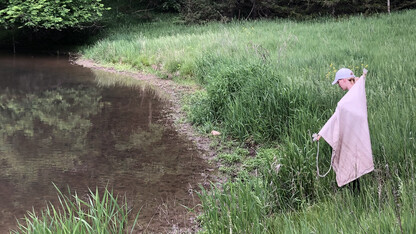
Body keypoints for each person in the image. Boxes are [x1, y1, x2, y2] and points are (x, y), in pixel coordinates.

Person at [314, 67, 372, 193]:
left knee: (351, 161)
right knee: (352, 163)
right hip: (353, 135)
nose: (338, 85)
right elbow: (337, 117)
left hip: (354, 136)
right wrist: (322, 133)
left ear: (344, 80)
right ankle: (356, 193)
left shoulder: (351, 98)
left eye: (338, 82)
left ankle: (356, 194)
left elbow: (340, 114)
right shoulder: (354, 95)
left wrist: (322, 132)